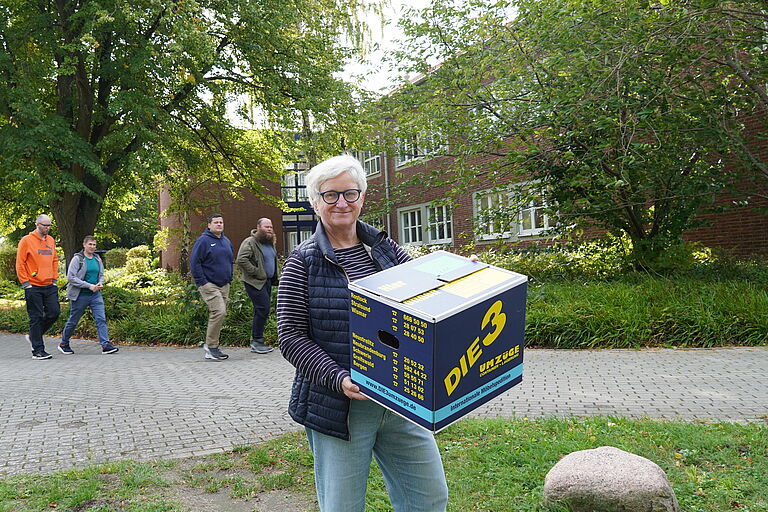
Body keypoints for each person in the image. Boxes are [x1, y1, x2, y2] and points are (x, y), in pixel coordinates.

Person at [277, 155, 449, 512]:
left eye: (350, 193)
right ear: (314, 201)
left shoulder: (384, 249)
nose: (342, 202)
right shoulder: (303, 260)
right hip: (341, 406)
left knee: (428, 497)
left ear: (363, 197)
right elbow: (290, 335)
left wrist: (463, 275)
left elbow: (426, 295)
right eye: (330, 195)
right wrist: (337, 378)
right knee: (343, 506)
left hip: (401, 397)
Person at [59, 236, 118, 355]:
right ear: (84, 245)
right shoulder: (78, 259)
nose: (92, 247)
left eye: (94, 245)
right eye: (90, 244)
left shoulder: (97, 259)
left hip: (95, 295)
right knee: (73, 320)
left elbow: (101, 274)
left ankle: (105, 345)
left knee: (101, 319)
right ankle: (64, 343)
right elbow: (71, 277)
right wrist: (88, 286)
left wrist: (100, 283)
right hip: (80, 295)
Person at [16, 214, 61, 360]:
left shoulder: (51, 240)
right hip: (33, 286)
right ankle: (38, 351)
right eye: (45, 225)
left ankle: (33, 335)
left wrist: (54, 279)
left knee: (54, 312)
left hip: (49, 285)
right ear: (37, 225)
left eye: (49, 226)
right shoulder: (26, 240)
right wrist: (26, 284)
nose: (47, 228)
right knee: (36, 317)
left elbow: (55, 260)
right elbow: (20, 263)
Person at [191, 213, 234, 361]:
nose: (219, 225)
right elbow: (195, 263)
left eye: (221, 222)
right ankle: (211, 347)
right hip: (209, 284)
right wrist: (202, 282)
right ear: (209, 225)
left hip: (224, 284)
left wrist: (230, 278)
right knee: (219, 312)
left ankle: (213, 346)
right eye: (216, 222)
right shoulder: (203, 241)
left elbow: (230, 261)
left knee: (219, 314)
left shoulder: (226, 241)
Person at [236, 218, 279, 354]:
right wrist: (256, 272)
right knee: (263, 308)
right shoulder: (250, 242)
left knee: (262, 309)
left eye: (271, 227)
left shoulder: (269, 243)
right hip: (254, 282)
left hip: (266, 282)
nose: (269, 229)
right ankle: (257, 341)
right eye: (266, 226)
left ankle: (258, 341)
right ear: (258, 227)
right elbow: (241, 259)